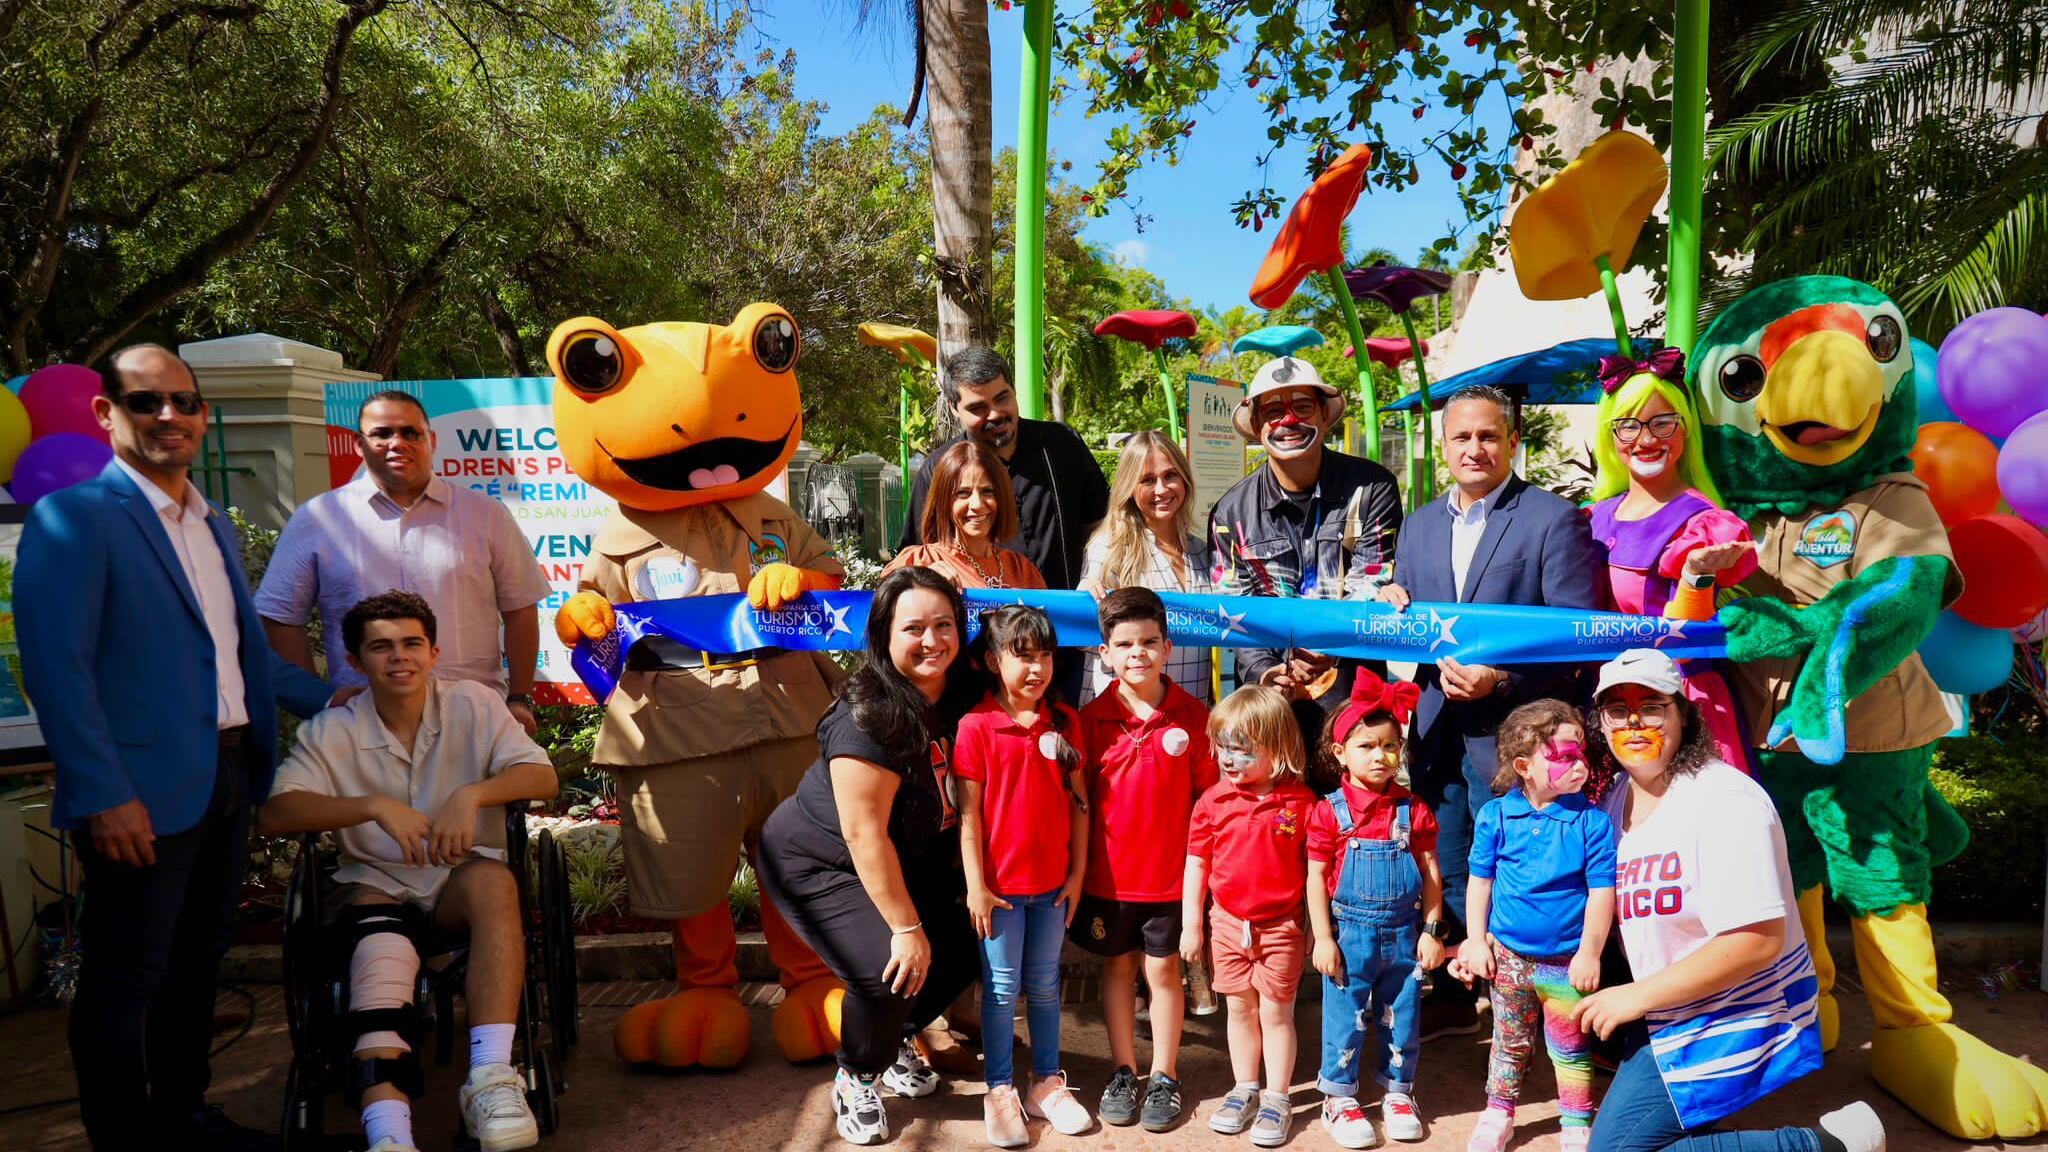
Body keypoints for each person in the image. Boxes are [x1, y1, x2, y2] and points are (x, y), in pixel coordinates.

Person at [16, 345, 337, 1151]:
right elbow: (59, 669)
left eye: (184, 402)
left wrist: (338, 698)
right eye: (147, 401)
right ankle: (126, 1138)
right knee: (128, 979)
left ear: (202, 414)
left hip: (229, 774)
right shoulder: (75, 519)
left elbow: (245, 658)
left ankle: (186, 1118)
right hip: (139, 795)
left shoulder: (212, 520)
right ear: (105, 413)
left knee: (197, 964)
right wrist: (102, 792)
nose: (170, 417)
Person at [256, 592, 560, 1152]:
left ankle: (490, 1079)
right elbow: (278, 812)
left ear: (434, 651)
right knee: (381, 960)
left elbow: (542, 779)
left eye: (411, 643)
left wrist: (471, 795)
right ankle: (389, 1134)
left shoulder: (474, 704)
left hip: (458, 882)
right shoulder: (333, 729)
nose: (399, 657)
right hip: (376, 886)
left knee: (496, 881)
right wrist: (373, 806)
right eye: (381, 647)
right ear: (354, 661)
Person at [1572, 650, 1884, 1152]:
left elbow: (1755, 943)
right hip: (1665, 1007)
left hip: (1734, 1010)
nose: (1634, 723)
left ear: (1684, 716)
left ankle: (1826, 1145)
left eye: (1652, 707)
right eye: (1617, 710)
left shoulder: (1724, 803)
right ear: (1601, 724)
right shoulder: (1613, 800)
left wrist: (1634, 998)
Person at [1380, 384, 1604, 1036]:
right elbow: (1414, 634)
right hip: (1435, 732)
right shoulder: (1419, 526)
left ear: (1511, 442)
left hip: (1514, 737)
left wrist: (1499, 681)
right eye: (1461, 437)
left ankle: (1533, 1008)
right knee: (1445, 864)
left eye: (1487, 435)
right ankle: (1459, 991)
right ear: (1443, 446)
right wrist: (1389, 611)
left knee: (1523, 870)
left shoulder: (1552, 519)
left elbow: (1573, 637)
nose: (1474, 447)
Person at [755, 567, 983, 1147]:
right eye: (914, 629)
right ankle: (857, 1075)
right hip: (822, 861)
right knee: (891, 971)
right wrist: (906, 927)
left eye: (943, 625)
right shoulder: (868, 716)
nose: (931, 640)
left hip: (909, 852)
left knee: (972, 940)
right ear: (882, 638)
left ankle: (896, 1038)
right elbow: (863, 835)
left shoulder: (961, 692)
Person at [257, 390, 552, 734]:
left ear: (432, 440)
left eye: (411, 433)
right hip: (363, 726)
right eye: (382, 434)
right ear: (358, 444)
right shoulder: (320, 518)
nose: (398, 443)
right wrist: (320, 702)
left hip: (472, 722)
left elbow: (520, 610)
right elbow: (279, 617)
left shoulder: (485, 514)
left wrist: (518, 697)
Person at [1073, 587, 1215, 1132]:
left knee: (1163, 973)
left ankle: (1165, 1075)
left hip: (1170, 883)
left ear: (1168, 646)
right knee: (1117, 969)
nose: (1138, 653)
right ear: (1104, 652)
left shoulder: (1193, 715)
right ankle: (1124, 1070)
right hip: (1109, 882)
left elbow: (1208, 803)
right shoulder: (1089, 720)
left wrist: (1202, 882)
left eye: (1150, 642)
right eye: (1125, 644)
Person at [1208, 355, 1403, 745]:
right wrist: (1266, 670)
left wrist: (1322, 650)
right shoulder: (1231, 512)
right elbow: (1233, 608)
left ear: (1324, 416)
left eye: (1302, 407)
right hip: (1271, 704)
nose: (1288, 421)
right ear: (1258, 425)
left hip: (1354, 698)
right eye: (1274, 411)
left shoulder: (1372, 488)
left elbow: (1372, 579)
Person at [1450, 700, 1617, 1152]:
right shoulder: (1496, 816)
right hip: (1508, 959)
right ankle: (1498, 1113)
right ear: (1523, 766)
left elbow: (1602, 891)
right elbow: (1480, 882)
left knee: (1570, 1049)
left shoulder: (1592, 823)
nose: (1577, 763)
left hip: (1567, 964)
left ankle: (1577, 1124)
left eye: (1579, 751)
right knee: (1509, 1042)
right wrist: (1474, 939)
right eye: (1562, 754)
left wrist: (1589, 952)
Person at [955, 606, 1093, 1146]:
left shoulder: (1066, 722)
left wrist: (1078, 874)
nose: (1037, 668)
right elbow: (969, 816)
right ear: (993, 661)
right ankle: (999, 1088)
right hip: (1000, 892)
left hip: (1055, 888)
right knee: (1002, 988)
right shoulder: (976, 726)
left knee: (1044, 984)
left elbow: (1081, 803)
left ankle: (1047, 1084)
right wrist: (976, 886)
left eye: (1045, 656)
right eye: (1023, 656)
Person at [1584, 359, 1756, 768]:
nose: (1645, 438)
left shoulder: (1705, 524)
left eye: (1662, 422)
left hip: (1677, 703)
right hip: (1605, 702)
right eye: (1629, 425)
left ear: (1686, 428)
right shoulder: (1590, 518)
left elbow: (1687, 634)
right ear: (1610, 434)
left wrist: (1696, 575)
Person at [1305, 668, 1444, 1150]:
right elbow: (1315, 879)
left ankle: (1398, 1093)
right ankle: (1339, 1097)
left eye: (1389, 746)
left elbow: (1430, 874)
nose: (1380, 756)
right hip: (1349, 937)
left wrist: (1432, 929)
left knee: (1401, 1017)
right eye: (1367, 746)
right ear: (1341, 753)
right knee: (1344, 1017)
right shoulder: (1329, 812)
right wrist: (1322, 937)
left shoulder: (1413, 810)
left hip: (1405, 934)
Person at [1181, 685, 1319, 1149]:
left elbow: (1317, 871)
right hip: (1225, 923)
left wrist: (1319, 931)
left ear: (1277, 749)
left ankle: (1277, 1096)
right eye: (1223, 745)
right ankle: (1245, 1087)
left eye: (1242, 749)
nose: (1228, 758)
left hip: (1282, 927)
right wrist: (1191, 924)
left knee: (1277, 1013)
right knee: (1239, 1010)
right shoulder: (1211, 802)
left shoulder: (1302, 804)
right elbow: (1196, 864)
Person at [898, 346, 1109, 592]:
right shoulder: (939, 467)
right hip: (980, 622)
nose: (995, 414)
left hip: (1066, 615)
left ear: (1014, 391)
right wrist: (931, 573)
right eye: (978, 408)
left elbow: (1100, 525)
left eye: (1002, 398)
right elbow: (914, 555)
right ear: (953, 408)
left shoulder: (1062, 445)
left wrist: (1093, 574)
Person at [1078, 431, 1216, 704]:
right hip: (1126, 720)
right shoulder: (1110, 547)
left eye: (1170, 476)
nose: (1162, 489)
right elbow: (1086, 638)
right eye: (1147, 480)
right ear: (1129, 487)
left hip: (1191, 711)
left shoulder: (1202, 551)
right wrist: (1082, 601)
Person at [887, 440, 1047, 590]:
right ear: (944, 502)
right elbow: (878, 612)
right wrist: (921, 584)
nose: (977, 504)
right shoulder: (920, 562)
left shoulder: (1022, 570)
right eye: (963, 493)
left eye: (987, 491)